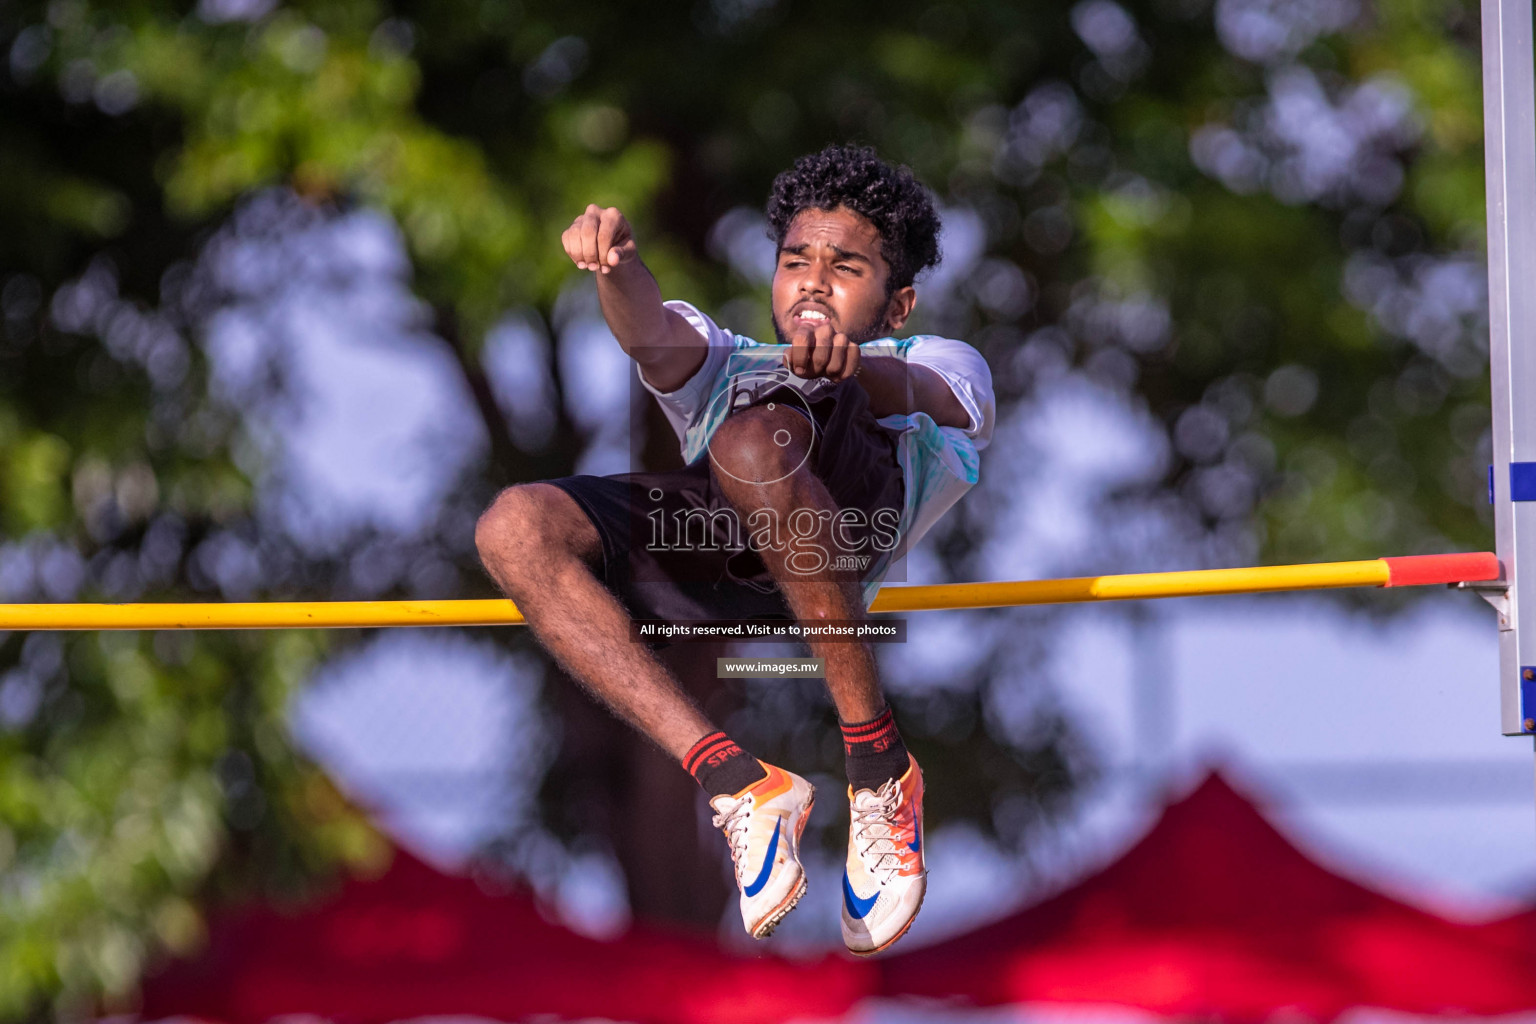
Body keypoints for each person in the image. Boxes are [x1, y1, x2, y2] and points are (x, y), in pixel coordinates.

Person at [474, 144, 994, 954]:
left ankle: (877, 768)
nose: (814, 282)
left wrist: (853, 375)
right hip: (720, 553)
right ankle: (736, 782)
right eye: (795, 262)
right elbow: (652, 334)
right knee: (514, 525)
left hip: (840, 538)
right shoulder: (724, 363)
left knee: (762, 439)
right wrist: (615, 268)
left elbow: (930, 398)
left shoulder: (932, 360)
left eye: (846, 266)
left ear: (897, 306)